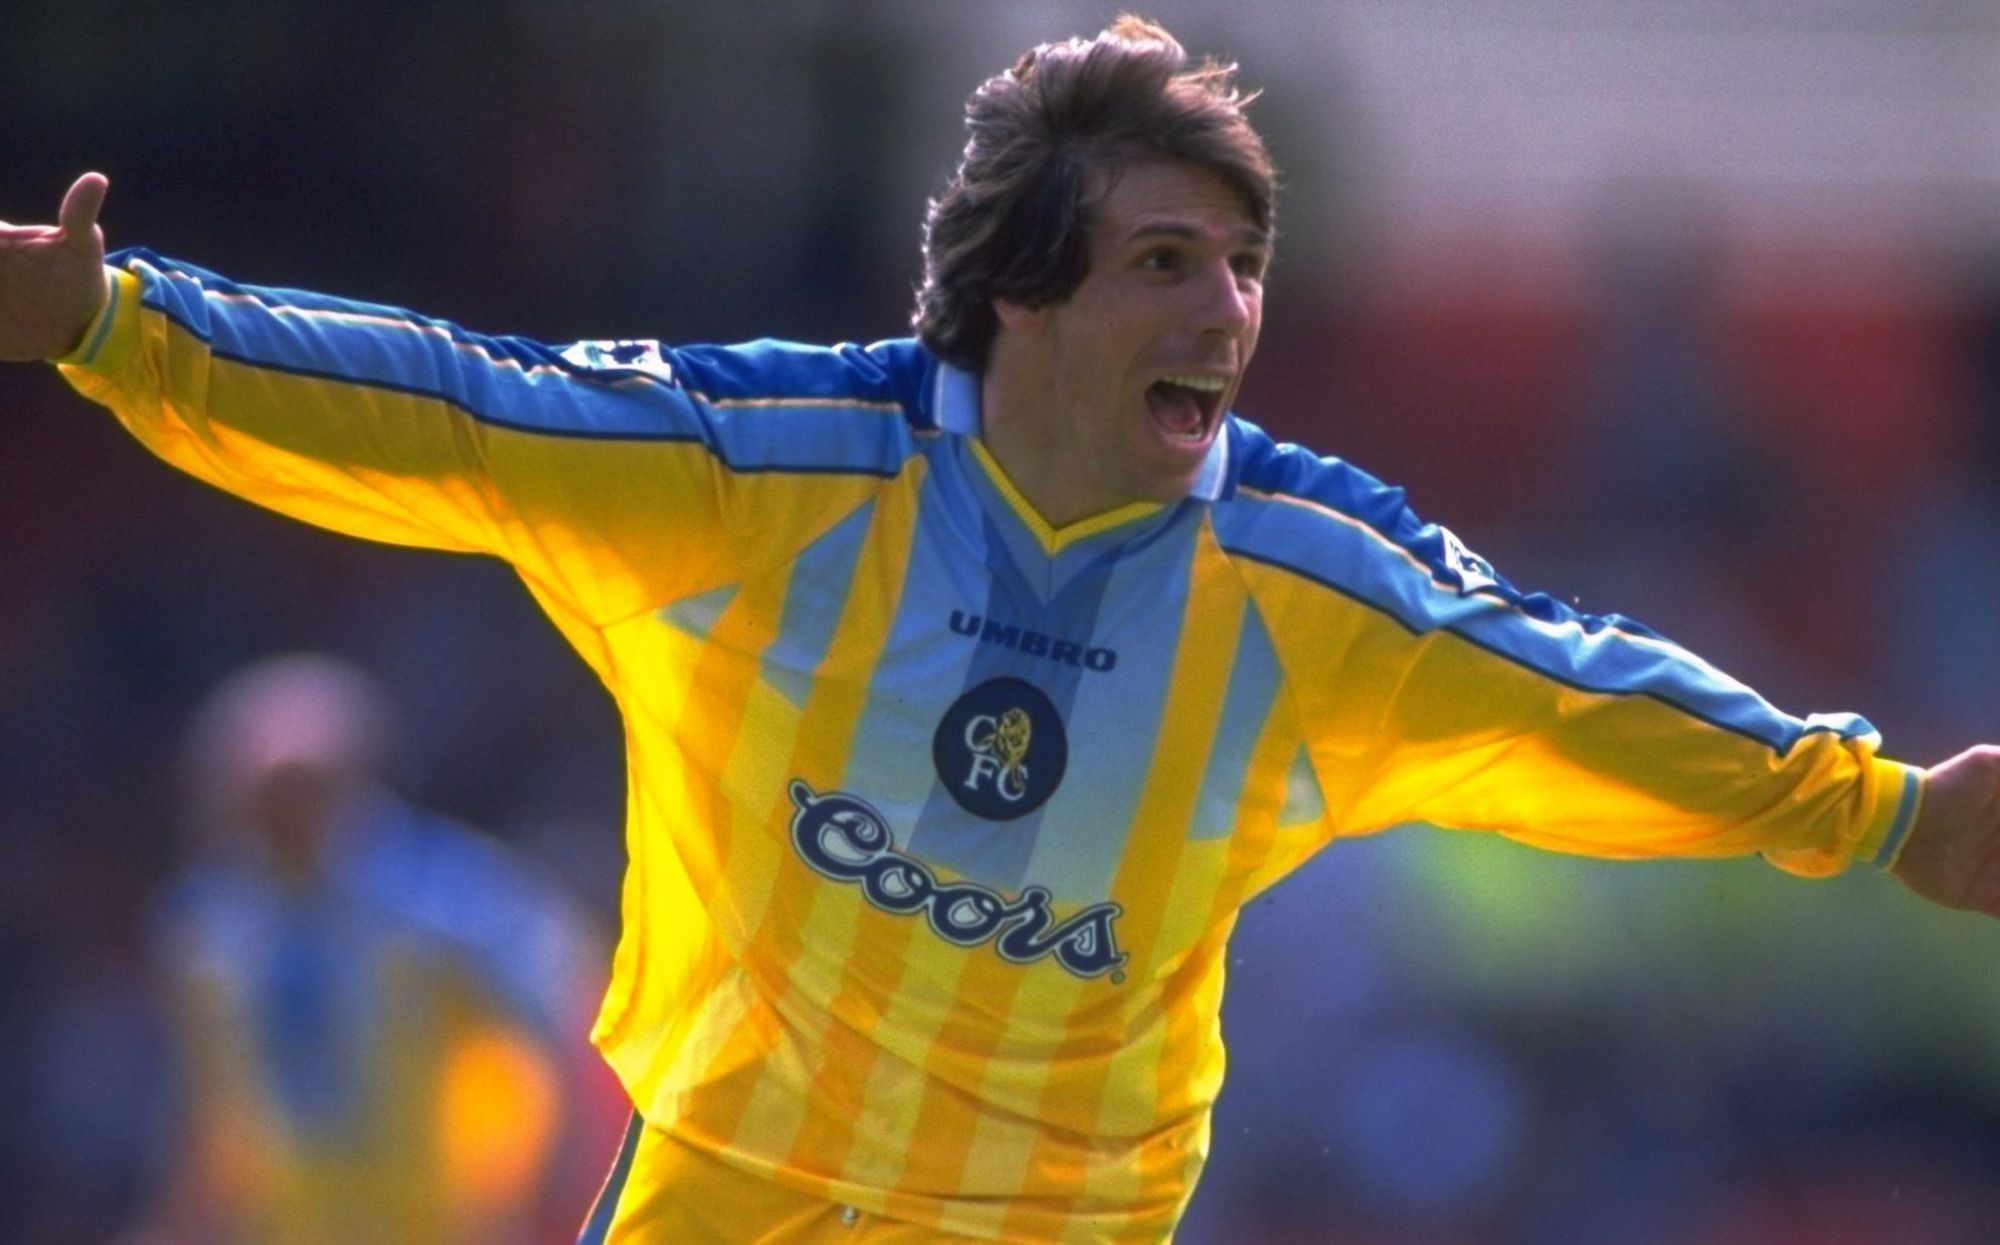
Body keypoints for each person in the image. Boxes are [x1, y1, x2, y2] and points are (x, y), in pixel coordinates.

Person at [4, 15, 1997, 1244]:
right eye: (1166, 261)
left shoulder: (1310, 586)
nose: (1227, 312)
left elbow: (1566, 684)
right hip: (732, 1195)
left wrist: (1882, 812)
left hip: (1058, 1220)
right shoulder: (767, 475)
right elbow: (455, 404)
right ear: (1023, 288)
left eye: (1245, 266)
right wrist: (117, 325)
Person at [133, 653, 613, 1244]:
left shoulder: (446, 901)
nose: (280, 815)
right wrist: (178, 1222)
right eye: (260, 794)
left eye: (298, 789)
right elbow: (208, 1100)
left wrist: (551, 1188)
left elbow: (564, 1023)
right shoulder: (211, 926)